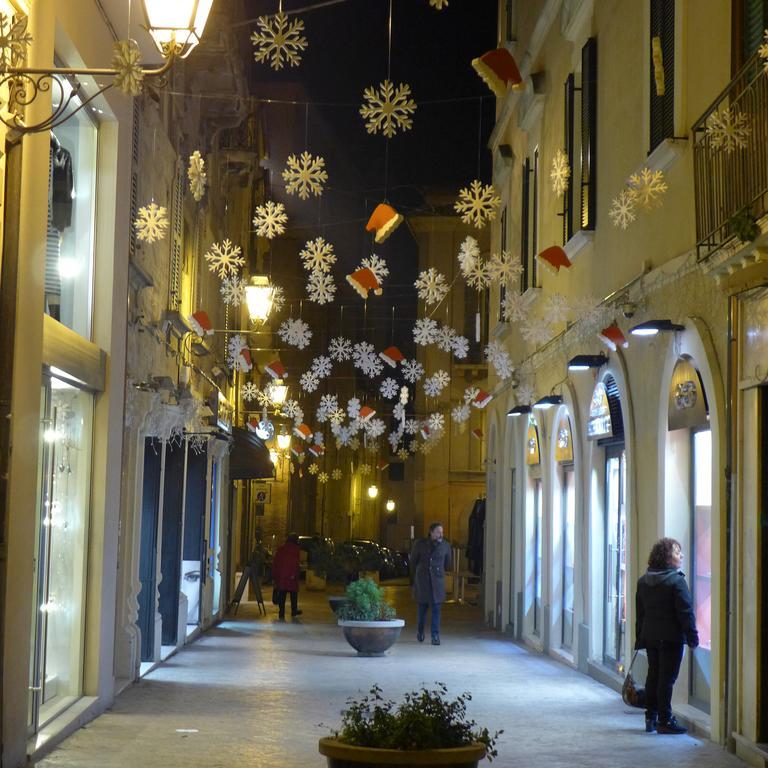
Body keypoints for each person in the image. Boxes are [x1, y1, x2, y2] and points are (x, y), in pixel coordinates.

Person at [635, 537, 699, 735]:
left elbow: (641, 613)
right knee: (666, 679)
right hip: (671, 638)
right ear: (666, 558)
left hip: (651, 636)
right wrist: (692, 635)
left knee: (653, 676)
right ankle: (665, 719)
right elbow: (685, 611)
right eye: (677, 552)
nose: (681, 556)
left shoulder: (644, 581)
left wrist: (640, 638)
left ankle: (650, 717)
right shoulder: (676, 581)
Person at [411, 522, 452, 645]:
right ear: (431, 532)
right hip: (423, 580)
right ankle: (420, 632)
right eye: (438, 532)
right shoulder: (420, 544)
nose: (441, 534)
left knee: (436, 610)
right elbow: (413, 561)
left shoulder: (445, 545)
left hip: (437, 582)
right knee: (422, 609)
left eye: (442, 532)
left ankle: (435, 636)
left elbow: (448, 564)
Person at [272, 532, 302, 620]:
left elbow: (276, 562)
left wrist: (274, 575)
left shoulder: (281, 549)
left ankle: (281, 613)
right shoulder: (296, 549)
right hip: (291, 575)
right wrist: (294, 574)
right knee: (293, 594)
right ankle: (294, 610)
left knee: (282, 594)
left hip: (281, 575)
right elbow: (295, 563)